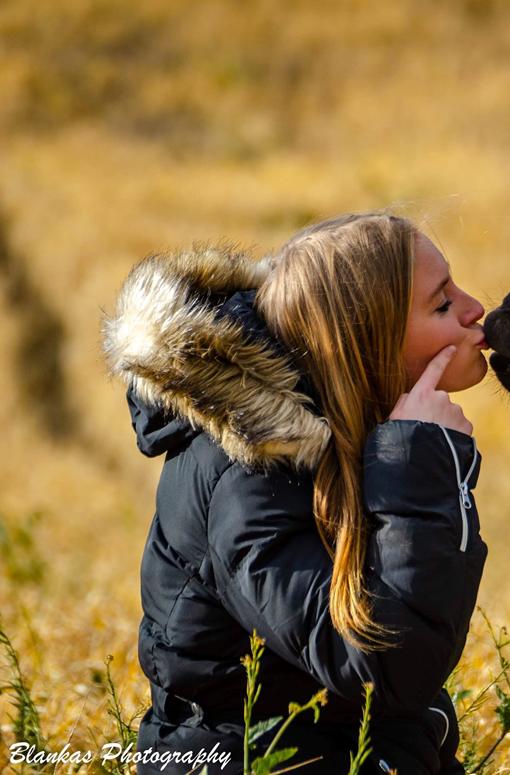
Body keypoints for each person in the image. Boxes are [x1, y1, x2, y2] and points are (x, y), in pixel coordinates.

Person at [101, 211, 489, 774]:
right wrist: (419, 464)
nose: (476, 308)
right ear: (365, 343)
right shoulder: (244, 477)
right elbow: (386, 667)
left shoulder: (347, 431)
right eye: (442, 304)